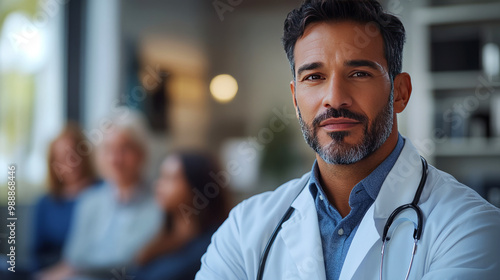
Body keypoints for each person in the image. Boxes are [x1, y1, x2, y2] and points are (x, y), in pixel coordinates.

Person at [196, 1, 500, 279]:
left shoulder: (471, 227)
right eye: (314, 77)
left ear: (401, 92)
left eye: (358, 73)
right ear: (295, 99)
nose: (334, 98)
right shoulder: (243, 228)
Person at [36, 108, 162, 280]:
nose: (115, 159)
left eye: (125, 149)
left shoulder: (158, 202)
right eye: (108, 149)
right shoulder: (89, 200)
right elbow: (74, 257)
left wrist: (77, 269)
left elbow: (130, 260)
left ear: (142, 153)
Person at [135, 151, 231, 280]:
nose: (158, 185)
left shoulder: (213, 246)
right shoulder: (161, 237)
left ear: (196, 186)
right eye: (161, 176)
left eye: (170, 178)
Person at [32, 122, 98, 272]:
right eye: (62, 158)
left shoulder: (102, 193)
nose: (70, 163)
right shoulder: (45, 203)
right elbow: (36, 256)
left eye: (73, 154)